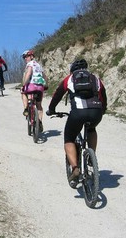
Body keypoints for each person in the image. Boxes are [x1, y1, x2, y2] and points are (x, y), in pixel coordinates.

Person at [46, 58, 107, 188]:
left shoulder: (69, 79)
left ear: (72, 69)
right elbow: (103, 94)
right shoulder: (95, 78)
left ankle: (75, 168)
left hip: (78, 113)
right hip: (96, 112)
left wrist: (51, 110)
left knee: (69, 138)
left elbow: (57, 94)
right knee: (91, 129)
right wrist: (103, 109)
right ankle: (92, 156)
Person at [20, 49, 48, 131]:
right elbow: (45, 77)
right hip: (40, 88)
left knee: (23, 92)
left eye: (27, 56)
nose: (25, 58)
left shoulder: (30, 64)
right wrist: (46, 85)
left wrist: (24, 84)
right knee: (39, 105)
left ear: (31, 56)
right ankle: (40, 121)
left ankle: (26, 109)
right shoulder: (39, 65)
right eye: (24, 57)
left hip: (31, 87)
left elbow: (28, 74)